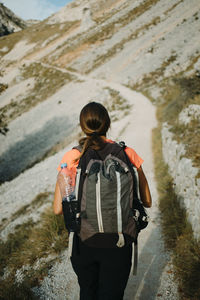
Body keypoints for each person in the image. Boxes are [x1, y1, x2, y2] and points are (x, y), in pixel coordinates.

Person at [53, 101, 152, 300]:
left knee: (88, 293)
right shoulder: (127, 153)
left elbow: (57, 209)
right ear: (108, 123)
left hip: (85, 241)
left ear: (83, 126)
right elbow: (147, 201)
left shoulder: (73, 157)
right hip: (120, 240)